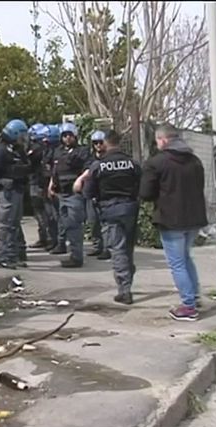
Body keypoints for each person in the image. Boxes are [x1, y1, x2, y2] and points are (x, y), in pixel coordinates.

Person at [139, 124, 208, 321]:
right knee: (185, 258)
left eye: (157, 140)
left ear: (163, 140)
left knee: (177, 263)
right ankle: (194, 296)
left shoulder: (157, 162)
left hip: (170, 219)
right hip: (194, 218)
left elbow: (145, 193)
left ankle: (188, 307)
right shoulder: (195, 160)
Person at [74, 130, 141, 304]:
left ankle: (124, 290)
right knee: (128, 248)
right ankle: (128, 278)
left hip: (110, 210)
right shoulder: (132, 163)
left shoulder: (99, 166)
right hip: (130, 208)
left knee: (117, 249)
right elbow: (141, 186)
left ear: (105, 143)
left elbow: (88, 192)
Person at [48, 122, 92, 268]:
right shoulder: (58, 151)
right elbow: (55, 170)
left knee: (74, 225)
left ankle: (77, 257)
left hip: (74, 194)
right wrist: (51, 185)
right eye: (64, 135)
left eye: (70, 135)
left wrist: (80, 180)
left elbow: (89, 168)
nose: (67, 138)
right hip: (61, 193)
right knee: (66, 225)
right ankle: (73, 253)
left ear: (75, 136)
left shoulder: (82, 151)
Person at [0, 119, 31, 270]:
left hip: (17, 191)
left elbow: (27, 167)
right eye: (21, 135)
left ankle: (13, 256)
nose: (23, 139)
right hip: (7, 191)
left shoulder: (16, 150)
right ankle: (2, 257)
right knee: (6, 225)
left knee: (14, 225)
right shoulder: (0, 150)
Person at [85, 130, 110, 260]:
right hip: (92, 194)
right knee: (93, 222)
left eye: (101, 142)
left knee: (106, 224)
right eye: (95, 143)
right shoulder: (90, 159)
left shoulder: (110, 158)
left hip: (105, 194)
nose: (98, 145)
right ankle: (97, 246)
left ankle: (107, 248)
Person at [26, 124, 50, 249]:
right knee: (44, 210)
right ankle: (46, 237)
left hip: (37, 182)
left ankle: (45, 237)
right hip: (42, 182)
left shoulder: (36, 149)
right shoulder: (47, 148)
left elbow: (28, 162)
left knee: (40, 211)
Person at [42, 124, 63, 252]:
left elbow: (54, 171)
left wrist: (51, 185)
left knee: (57, 216)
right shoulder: (47, 150)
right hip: (46, 186)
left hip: (54, 187)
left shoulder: (56, 152)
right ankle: (54, 240)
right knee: (50, 216)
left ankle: (60, 242)